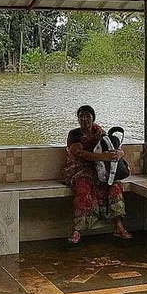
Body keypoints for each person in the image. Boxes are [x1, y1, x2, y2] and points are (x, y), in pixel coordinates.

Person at [60, 104, 131, 245]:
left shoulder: (100, 133)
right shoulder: (74, 134)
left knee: (114, 185)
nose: (84, 120)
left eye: (87, 117)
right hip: (77, 169)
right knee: (84, 186)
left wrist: (119, 153)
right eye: (81, 117)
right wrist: (103, 157)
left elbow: (116, 148)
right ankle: (76, 230)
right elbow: (80, 153)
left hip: (98, 169)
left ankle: (119, 226)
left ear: (93, 118)